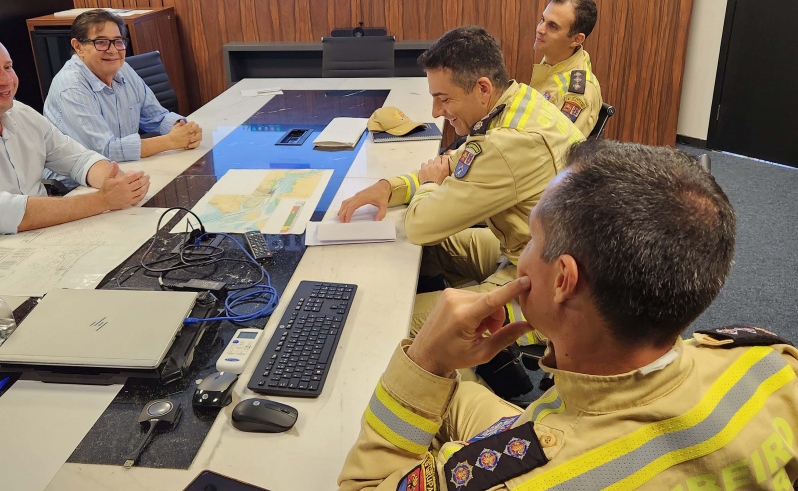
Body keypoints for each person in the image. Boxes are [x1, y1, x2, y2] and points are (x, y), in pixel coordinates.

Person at [338, 140, 798, 490]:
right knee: (455, 399)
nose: (523, 254)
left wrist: (425, 362)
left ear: (562, 279)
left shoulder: (512, 480)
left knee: (432, 398)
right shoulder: (772, 364)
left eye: (533, 238)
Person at [338, 26, 583, 334]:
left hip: (548, 292)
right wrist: (390, 187)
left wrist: (428, 185)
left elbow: (421, 227)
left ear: (482, 88)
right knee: (433, 250)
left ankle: (462, 370)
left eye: (443, 98)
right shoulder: (518, 103)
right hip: (535, 251)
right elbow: (452, 165)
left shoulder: (508, 144)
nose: (436, 111)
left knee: (393, 321)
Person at [0, 30, 150, 261]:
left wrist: (114, 181)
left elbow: (78, 159)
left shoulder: (19, 113)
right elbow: (4, 213)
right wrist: (104, 200)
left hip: (47, 239)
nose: (6, 81)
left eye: (8, 67)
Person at [42, 9, 201, 182]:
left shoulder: (122, 68)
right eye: (101, 42)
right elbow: (106, 151)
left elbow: (157, 116)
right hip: (74, 187)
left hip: (123, 170)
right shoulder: (71, 87)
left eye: (118, 41)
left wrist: (184, 129)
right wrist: (171, 141)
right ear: (78, 46)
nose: (113, 50)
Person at [530, 0, 603, 137]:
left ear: (576, 39)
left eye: (553, 26)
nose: (540, 29)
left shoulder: (578, 92)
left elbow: (556, 149)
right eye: (542, 20)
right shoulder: (553, 62)